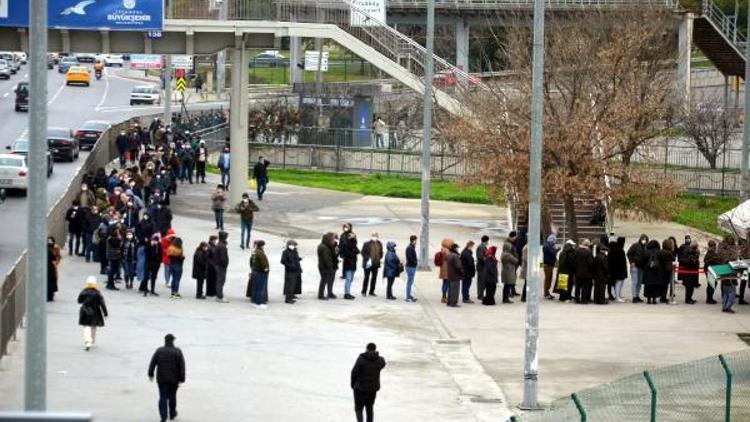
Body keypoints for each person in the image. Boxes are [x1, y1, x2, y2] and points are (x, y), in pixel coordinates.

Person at [148, 334, 186, 422]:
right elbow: (182, 366)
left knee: (163, 397)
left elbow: (152, 363)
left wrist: (150, 374)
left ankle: (163, 417)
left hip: (162, 379)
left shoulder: (159, 351)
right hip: (174, 379)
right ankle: (172, 414)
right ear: (172, 341)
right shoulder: (178, 351)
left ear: (165, 341)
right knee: (172, 396)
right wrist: (182, 378)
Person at [351, 343, 386, 422]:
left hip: (360, 388)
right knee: (369, 408)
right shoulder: (379, 360)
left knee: (359, 408)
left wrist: (353, 384)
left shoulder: (361, 359)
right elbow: (383, 362)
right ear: (375, 349)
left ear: (366, 349)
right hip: (372, 389)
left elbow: (354, 372)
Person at [78, 276, 108, 351]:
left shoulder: (83, 291)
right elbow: (102, 304)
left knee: (86, 326)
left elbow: (79, 300)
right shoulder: (97, 293)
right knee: (93, 326)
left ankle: (87, 341)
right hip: (95, 311)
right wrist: (105, 313)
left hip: (85, 310)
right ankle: (92, 340)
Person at [339, 223, 360, 300]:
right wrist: (350, 239)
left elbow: (354, 245)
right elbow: (344, 245)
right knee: (348, 278)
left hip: (353, 259)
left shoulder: (353, 234)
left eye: (347, 227)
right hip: (348, 259)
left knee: (351, 278)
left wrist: (354, 238)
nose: (345, 228)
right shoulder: (343, 236)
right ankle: (346, 293)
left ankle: (348, 292)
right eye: (344, 227)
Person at [627, 234, 649, 303]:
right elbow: (629, 253)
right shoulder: (635, 245)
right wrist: (631, 261)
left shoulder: (646, 247)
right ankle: (634, 296)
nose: (644, 241)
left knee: (639, 282)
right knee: (635, 282)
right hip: (635, 266)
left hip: (642, 267)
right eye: (643, 239)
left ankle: (637, 295)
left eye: (645, 239)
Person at [249, 240, 270, 308]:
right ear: (262, 246)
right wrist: (266, 270)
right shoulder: (261, 253)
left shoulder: (254, 252)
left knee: (255, 288)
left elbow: (251, 262)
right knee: (260, 289)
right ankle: (259, 303)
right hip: (260, 273)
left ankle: (254, 301)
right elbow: (264, 264)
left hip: (254, 271)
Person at [281, 239, 302, 304]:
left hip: (296, 270)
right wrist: (290, 266)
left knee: (294, 284)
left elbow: (296, 259)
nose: (295, 246)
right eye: (294, 245)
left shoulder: (294, 251)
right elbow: (283, 261)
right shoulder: (285, 252)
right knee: (290, 285)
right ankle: (288, 299)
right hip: (290, 271)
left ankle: (291, 295)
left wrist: (299, 259)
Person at [317, 232, 338, 300]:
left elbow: (332, 255)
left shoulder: (324, 245)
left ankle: (329, 293)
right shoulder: (324, 247)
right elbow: (327, 259)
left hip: (324, 266)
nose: (333, 240)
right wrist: (330, 267)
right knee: (324, 281)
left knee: (327, 280)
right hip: (325, 267)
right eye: (332, 239)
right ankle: (321, 295)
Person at [643, 240, 663, 304]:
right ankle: (654, 299)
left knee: (648, 285)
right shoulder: (659, 252)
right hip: (656, 271)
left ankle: (648, 299)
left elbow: (643, 260)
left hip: (648, 271)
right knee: (655, 285)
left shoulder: (646, 252)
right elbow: (661, 261)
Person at [574, 239, 594, 304]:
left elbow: (574, 260)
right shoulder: (589, 252)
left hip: (577, 272)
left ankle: (576, 299)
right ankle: (583, 299)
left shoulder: (577, 251)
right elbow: (590, 263)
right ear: (588, 245)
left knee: (578, 286)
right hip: (586, 273)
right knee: (585, 287)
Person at [608, 237, 628, 302]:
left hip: (618, 269)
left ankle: (618, 295)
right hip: (619, 270)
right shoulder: (619, 250)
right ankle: (617, 296)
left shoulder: (616, 249)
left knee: (619, 283)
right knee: (619, 283)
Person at [212, 231, 230, 303]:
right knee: (221, 281)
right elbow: (223, 258)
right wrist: (225, 265)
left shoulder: (220, 244)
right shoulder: (222, 246)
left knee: (220, 281)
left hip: (218, 265)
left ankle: (219, 295)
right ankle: (220, 296)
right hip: (221, 266)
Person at [445, 243, 463, 307]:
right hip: (455, 275)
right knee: (455, 290)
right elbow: (458, 266)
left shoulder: (448, 255)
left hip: (450, 274)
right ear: (455, 249)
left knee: (450, 289)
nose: (458, 249)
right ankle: (454, 303)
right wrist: (462, 272)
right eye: (457, 248)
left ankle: (449, 302)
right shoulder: (455, 256)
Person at [542, 234, 559, 300]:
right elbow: (552, 254)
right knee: (548, 279)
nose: (555, 242)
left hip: (548, 264)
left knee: (549, 279)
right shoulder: (547, 246)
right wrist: (556, 250)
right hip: (548, 265)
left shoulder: (548, 245)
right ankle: (546, 293)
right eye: (554, 240)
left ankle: (547, 292)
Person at [704, 240, 720, 305]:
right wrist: (714, 259)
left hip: (712, 270)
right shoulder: (710, 252)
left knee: (713, 284)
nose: (715, 247)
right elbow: (706, 261)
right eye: (714, 245)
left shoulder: (712, 252)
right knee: (711, 285)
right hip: (710, 270)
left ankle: (710, 298)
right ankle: (709, 299)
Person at [438, 238, 454, 303]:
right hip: (446, 270)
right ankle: (444, 297)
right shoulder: (447, 251)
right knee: (446, 284)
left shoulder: (442, 249)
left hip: (443, 269)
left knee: (444, 283)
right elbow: (451, 258)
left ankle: (443, 296)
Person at [47, 237, 61, 302]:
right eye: (48, 241)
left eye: (50, 241)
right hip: (51, 267)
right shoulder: (48, 250)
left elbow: (58, 257)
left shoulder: (55, 248)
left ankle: (50, 295)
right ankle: (49, 295)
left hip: (52, 267)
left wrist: (56, 263)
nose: (49, 242)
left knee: (52, 281)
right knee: (50, 282)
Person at [475, 235, 489, 300]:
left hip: (482, 267)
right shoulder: (481, 247)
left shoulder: (482, 246)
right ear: (486, 241)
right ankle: (480, 295)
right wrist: (487, 259)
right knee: (481, 281)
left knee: (483, 281)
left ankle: (481, 294)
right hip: (481, 267)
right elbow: (480, 257)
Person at [404, 235, 418, 302]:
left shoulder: (411, 247)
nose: (416, 242)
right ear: (414, 240)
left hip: (411, 266)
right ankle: (408, 297)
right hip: (410, 267)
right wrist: (415, 262)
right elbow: (410, 258)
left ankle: (409, 295)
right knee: (409, 282)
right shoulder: (410, 248)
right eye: (416, 240)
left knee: (410, 282)